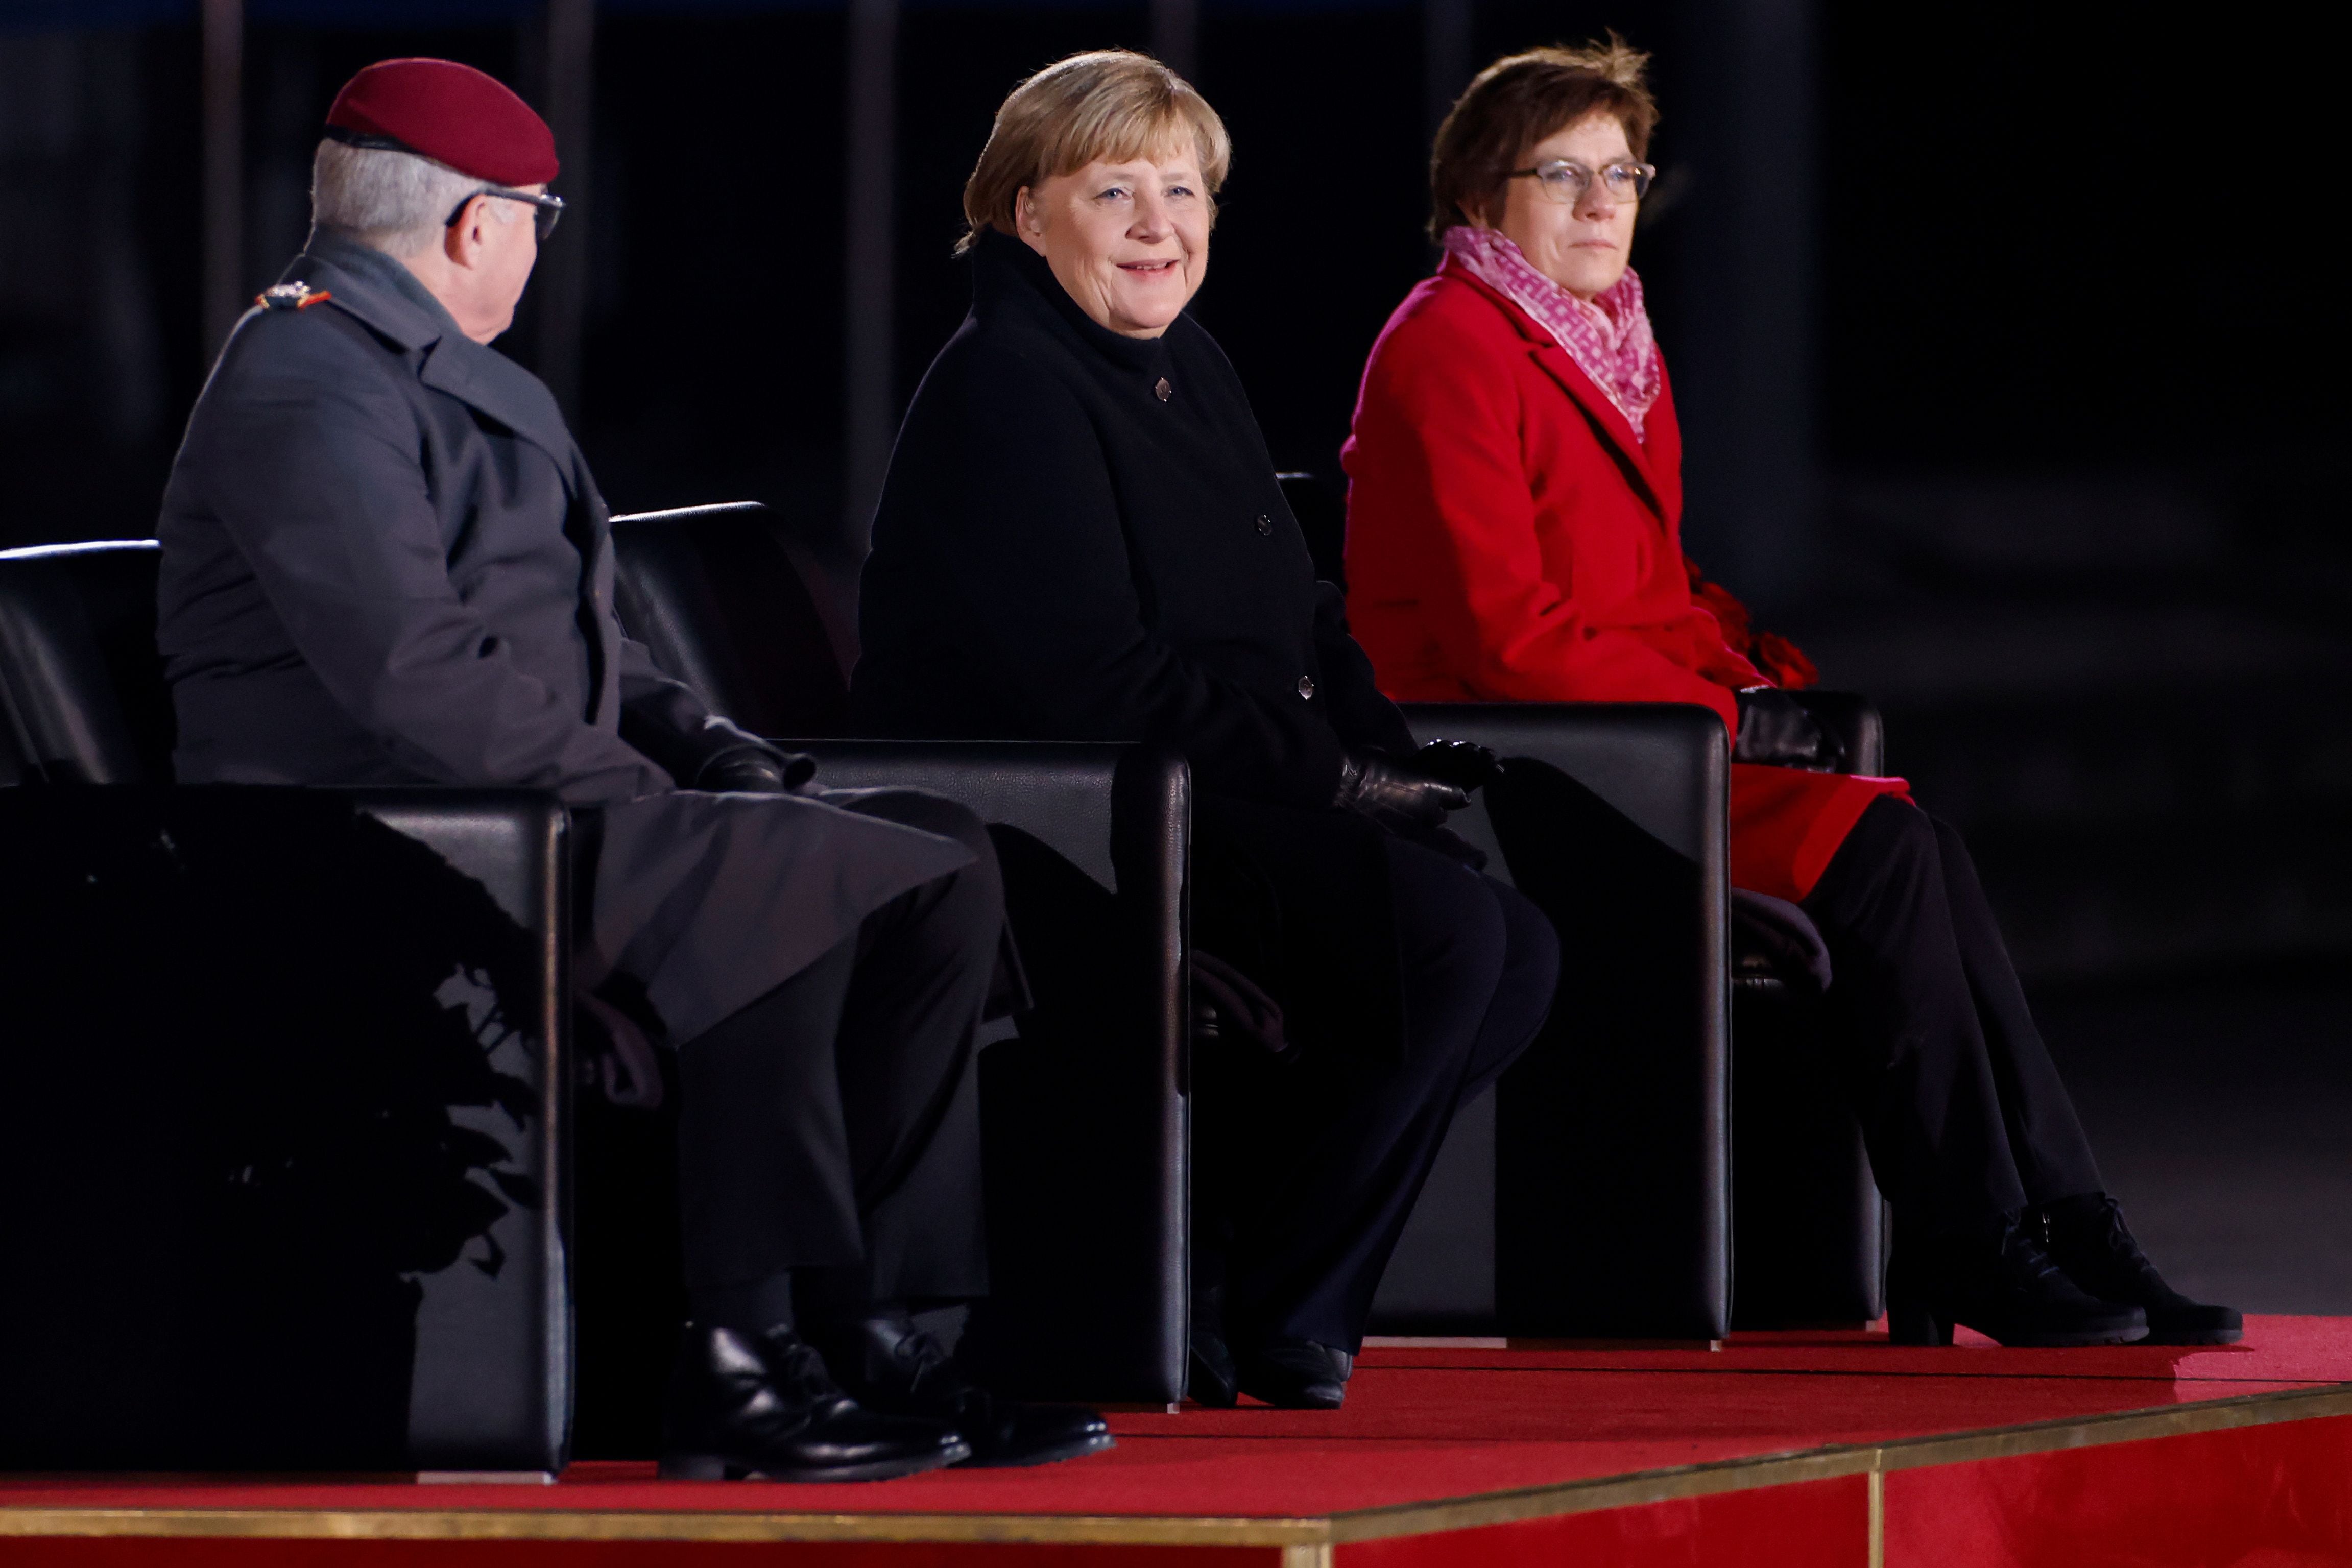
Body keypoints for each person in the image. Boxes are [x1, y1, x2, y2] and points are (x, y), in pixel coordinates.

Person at [155, 57, 1112, 1478]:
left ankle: (880, 1335)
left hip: (526, 806)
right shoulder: (303, 380)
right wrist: (644, 798)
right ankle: (740, 1356)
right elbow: (411, 679)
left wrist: (708, 748)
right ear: (477, 225)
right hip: (385, 840)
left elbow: (583, 638)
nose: (542, 247)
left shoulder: (431, 372)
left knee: (940, 858)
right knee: (786, 885)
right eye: (538, 217)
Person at [1339, 40, 2238, 1348]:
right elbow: (1506, 636)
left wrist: (1751, 674)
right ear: (1480, 197)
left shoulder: (1602, 345)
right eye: (1563, 174)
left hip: (1626, 739)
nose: (1603, 203)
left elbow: (1643, 582)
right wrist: (1714, 713)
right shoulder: (1448, 345)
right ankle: (1978, 1231)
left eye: (1622, 172)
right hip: (1518, 762)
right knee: (1880, 851)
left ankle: (2057, 1216)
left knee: (1907, 838)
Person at [849, 51, 1561, 1410]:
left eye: (1182, 190)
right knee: (1448, 943)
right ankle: (1272, 1303)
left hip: (1209, 782)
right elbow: (1091, 683)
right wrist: (1342, 783)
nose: (1156, 224)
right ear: (1021, 211)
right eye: (1110, 190)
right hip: (1069, 811)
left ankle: (1246, 1275)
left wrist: (1383, 758)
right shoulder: (1006, 384)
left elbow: (1297, 615)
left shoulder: (1181, 358)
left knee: (1511, 950)